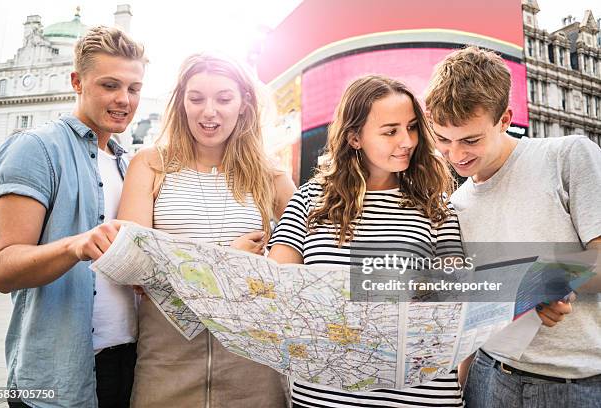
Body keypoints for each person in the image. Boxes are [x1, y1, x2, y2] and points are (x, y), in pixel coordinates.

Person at [268, 75, 464, 407]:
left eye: (412, 127)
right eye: (390, 131)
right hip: (328, 397)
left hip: (419, 397)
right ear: (355, 137)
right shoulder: (307, 201)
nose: (407, 141)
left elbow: (457, 298)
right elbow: (276, 290)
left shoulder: (437, 208)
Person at [425, 46, 601, 408]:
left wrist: (543, 282)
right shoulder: (457, 205)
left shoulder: (567, 157)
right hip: (487, 375)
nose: (456, 155)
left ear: (504, 119)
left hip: (571, 383)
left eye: (471, 140)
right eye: (443, 140)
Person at [117, 52, 295, 407]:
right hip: (167, 359)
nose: (208, 111)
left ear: (244, 104)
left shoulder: (271, 175)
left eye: (223, 99)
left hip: (255, 365)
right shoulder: (151, 164)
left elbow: (299, 267)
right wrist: (227, 260)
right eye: (196, 98)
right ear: (181, 102)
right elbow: (132, 264)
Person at [0, 26, 146, 407]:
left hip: (130, 361)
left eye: (134, 88)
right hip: (55, 373)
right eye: (110, 85)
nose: (124, 100)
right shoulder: (35, 147)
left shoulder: (131, 164)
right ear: (76, 81)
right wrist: (76, 245)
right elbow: (1, 268)